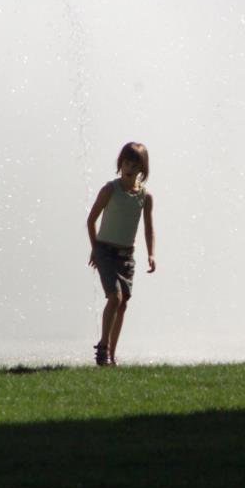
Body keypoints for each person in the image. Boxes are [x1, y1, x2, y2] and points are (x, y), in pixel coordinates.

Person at [84, 142, 156, 366]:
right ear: (120, 164)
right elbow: (91, 220)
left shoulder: (144, 196)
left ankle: (112, 356)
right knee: (115, 298)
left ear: (142, 169)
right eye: (126, 162)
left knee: (123, 304)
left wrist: (151, 254)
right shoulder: (110, 190)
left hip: (127, 256)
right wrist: (95, 249)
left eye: (135, 165)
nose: (129, 168)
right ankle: (103, 347)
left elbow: (148, 228)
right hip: (105, 250)